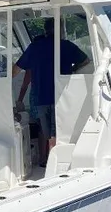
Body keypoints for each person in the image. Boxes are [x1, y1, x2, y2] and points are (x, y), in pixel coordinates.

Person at [13, 18, 89, 167]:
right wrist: (71, 71)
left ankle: (46, 161)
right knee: (60, 132)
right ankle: (58, 165)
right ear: (61, 29)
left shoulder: (34, 47)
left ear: (45, 30)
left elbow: (15, 71)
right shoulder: (66, 46)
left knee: (46, 133)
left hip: (41, 97)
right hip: (62, 96)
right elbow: (86, 61)